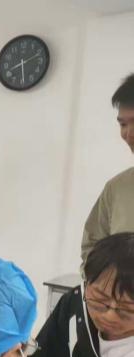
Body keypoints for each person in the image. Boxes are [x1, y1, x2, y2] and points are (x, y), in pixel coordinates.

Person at [82, 74, 134, 264]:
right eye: (123, 124)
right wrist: (105, 278)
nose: (129, 133)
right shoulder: (116, 188)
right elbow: (91, 249)